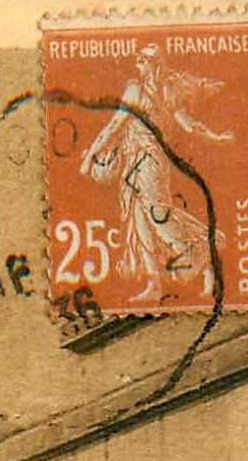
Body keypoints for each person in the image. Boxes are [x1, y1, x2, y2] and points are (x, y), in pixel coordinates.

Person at [78, 43, 233, 304]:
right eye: (137, 60)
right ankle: (155, 283)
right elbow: (116, 126)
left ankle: (205, 251)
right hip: (133, 162)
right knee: (140, 224)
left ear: (155, 64)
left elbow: (187, 125)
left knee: (159, 217)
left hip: (150, 162)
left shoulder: (151, 92)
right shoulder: (139, 89)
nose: (138, 64)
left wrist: (217, 137)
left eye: (143, 60)